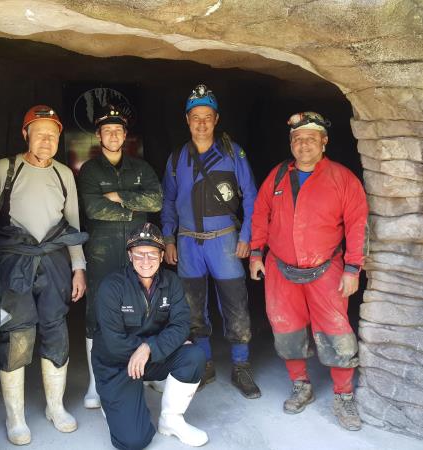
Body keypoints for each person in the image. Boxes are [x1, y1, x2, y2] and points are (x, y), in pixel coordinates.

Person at [249, 111, 368, 431]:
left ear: (324, 142)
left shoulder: (342, 179)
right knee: (286, 328)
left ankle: (343, 395)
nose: (303, 145)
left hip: (326, 268)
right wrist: (256, 253)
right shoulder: (277, 176)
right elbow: (260, 214)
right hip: (280, 268)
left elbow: (358, 225)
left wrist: (353, 269)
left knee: (336, 330)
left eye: (311, 139)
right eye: (297, 139)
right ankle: (301, 385)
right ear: (291, 143)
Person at [0, 105, 88, 445]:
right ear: (25, 134)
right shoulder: (6, 169)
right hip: (12, 262)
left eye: (52, 135)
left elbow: (72, 225)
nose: (46, 141)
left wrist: (79, 268)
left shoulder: (63, 174)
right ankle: (15, 417)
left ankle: (55, 407)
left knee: (55, 330)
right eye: (39, 133)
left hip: (54, 262)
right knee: (15, 335)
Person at [161, 84, 260, 398]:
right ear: (187, 120)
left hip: (225, 241)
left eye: (207, 117)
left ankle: (241, 366)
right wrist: (168, 238)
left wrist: (246, 236)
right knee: (192, 308)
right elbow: (168, 201)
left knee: (235, 304)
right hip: (188, 242)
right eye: (195, 117)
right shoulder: (177, 158)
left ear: (216, 119)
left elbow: (252, 197)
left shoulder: (233, 153)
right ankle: (204, 364)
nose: (201, 123)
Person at [93, 222, 208, 450]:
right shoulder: (112, 287)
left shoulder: (172, 282)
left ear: (162, 255)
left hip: (150, 356)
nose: (146, 260)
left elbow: (181, 325)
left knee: (193, 355)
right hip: (117, 364)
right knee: (134, 441)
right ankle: (111, 402)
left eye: (152, 254)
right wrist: (157, 346)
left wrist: (149, 348)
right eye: (139, 254)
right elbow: (114, 343)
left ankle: (171, 420)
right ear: (130, 255)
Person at [77, 104, 163, 409]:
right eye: (107, 130)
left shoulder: (141, 168)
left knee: (144, 308)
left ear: (125, 135)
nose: (113, 135)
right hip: (102, 252)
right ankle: (95, 382)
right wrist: (133, 207)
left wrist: (118, 197)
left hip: (138, 253)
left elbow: (156, 201)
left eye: (118, 130)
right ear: (99, 135)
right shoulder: (90, 170)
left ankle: (147, 371)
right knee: (98, 315)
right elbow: (92, 208)